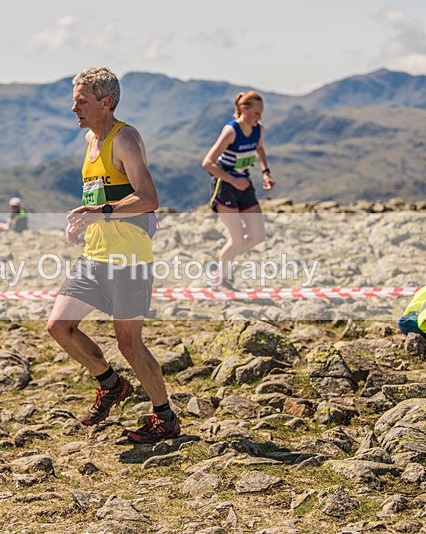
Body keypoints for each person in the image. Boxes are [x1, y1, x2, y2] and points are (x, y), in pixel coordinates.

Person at [46, 67, 181, 444]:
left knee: (129, 344)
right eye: (74, 100)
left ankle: (165, 418)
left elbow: (148, 198)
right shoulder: (90, 141)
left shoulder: (125, 139)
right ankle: (111, 384)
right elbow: (103, 197)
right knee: (59, 326)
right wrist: (83, 221)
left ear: (105, 103)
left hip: (129, 260)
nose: (73, 107)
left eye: (81, 101)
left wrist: (99, 213)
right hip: (95, 255)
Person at [201, 91, 275, 289]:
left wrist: (266, 172)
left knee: (258, 235)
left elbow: (259, 149)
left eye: (261, 114)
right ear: (243, 109)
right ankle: (222, 276)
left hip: (244, 182)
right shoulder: (231, 131)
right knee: (238, 238)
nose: (258, 118)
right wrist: (233, 180)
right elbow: (208, 163)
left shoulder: (259, 130)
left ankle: (224, 257)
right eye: (255, 113)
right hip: (225, 184)